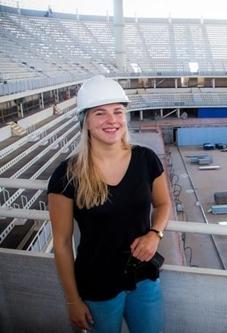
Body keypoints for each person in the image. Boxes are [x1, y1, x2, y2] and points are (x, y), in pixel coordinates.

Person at [48, 75, 171, 333]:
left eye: (118, 112)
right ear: (86, 122)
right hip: (96, 284)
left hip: (143, 277)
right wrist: (73, 300)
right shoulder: (67, 175)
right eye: (100, 113)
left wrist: (154, 234)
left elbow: (163, 204)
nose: (112, 120)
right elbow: (61, 243)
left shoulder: (146, 159)